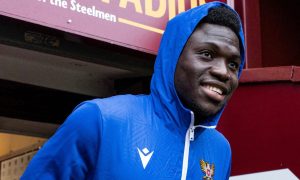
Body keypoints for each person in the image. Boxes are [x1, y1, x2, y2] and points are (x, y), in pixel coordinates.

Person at [22, 2, 245, 180]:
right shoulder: (100, 119)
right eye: (207, 54)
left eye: (233, 64)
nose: (223, 72)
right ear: (173, 57)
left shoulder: (220, 149)